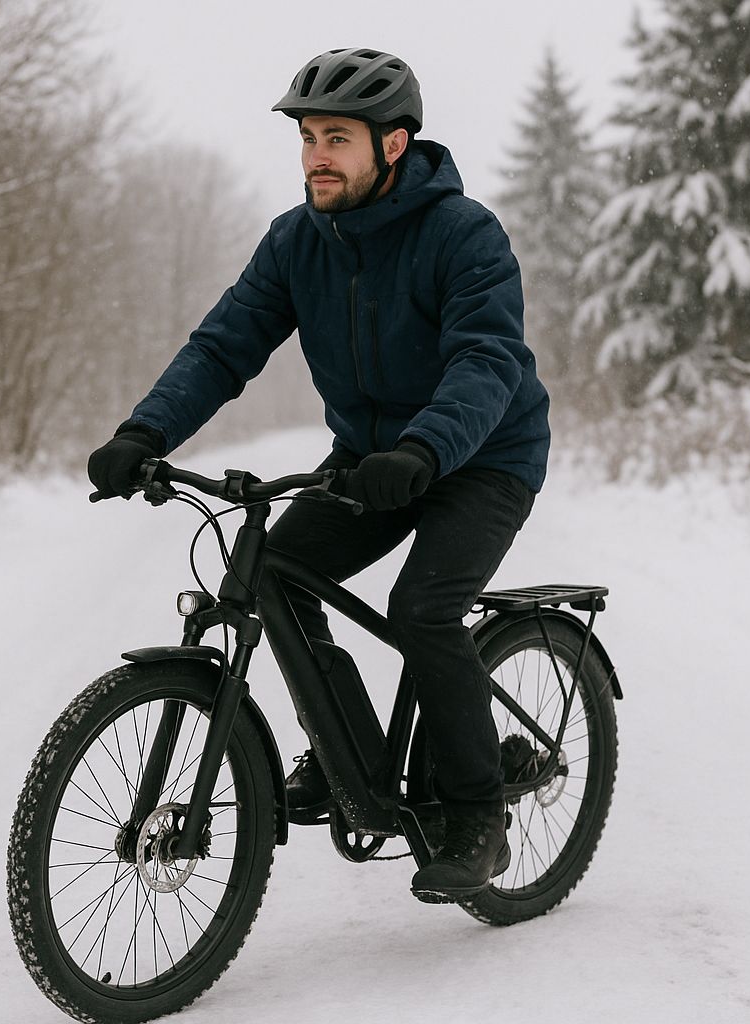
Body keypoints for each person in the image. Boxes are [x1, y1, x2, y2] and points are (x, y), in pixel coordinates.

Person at [87, 47, 550, 903]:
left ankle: (478, 816)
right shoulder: (297, 240)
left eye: (337, 138)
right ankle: (350, 758)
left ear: (395, 144)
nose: (315, 157)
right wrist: (144, 430)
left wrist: (423, 450)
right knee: (268, 572)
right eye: (306, 138)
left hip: (481, 455)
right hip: (372, 460)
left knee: (423, 608)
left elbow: (487, 360)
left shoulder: (464, 234)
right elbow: (224, 346)